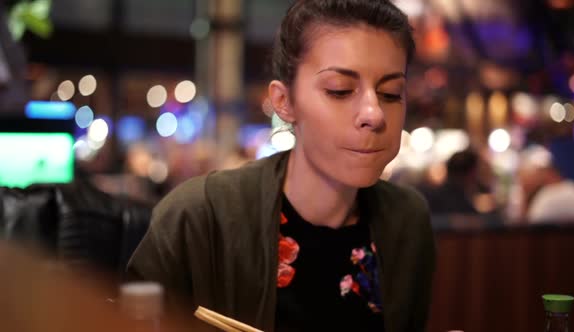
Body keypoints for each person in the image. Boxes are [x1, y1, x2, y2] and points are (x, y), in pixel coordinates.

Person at [127, 1, 436, 331]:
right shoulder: (200, 216)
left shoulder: (408, 221)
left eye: (391, 93)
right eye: (340, 90)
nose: (374, 114)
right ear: (284, 102)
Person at [518, 146, 574, 223]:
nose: (525, 181)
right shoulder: (570, 186)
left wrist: (525, 198)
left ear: (547, 172)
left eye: (529, 174)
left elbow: (530, 228)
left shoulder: (550, 196)